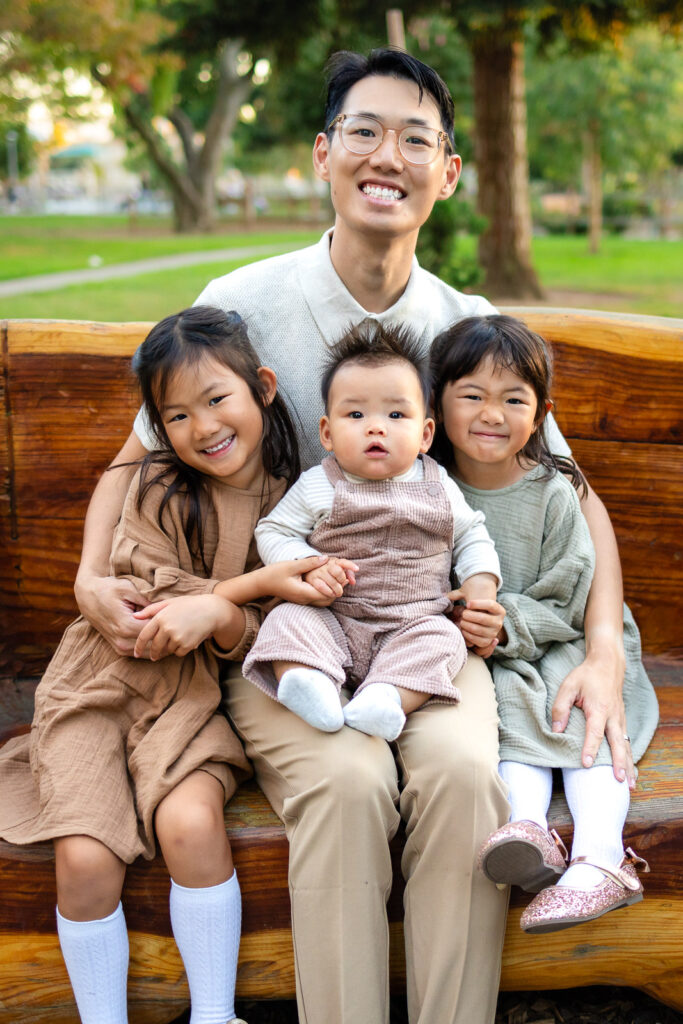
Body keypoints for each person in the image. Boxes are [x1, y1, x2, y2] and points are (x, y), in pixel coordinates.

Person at [69, 47, 633, 1024]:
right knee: (344, 778)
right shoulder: (241, 303)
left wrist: (594, 652)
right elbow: (137, 457)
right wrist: (86, 574)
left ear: (445, 173)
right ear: (325, 154)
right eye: (363, 131)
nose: (388, 154)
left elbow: (573, 498)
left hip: (426, 637)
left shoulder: (468, 328)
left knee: (462, 774)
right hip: (285, 637)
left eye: (415, 138)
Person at [0, 306, 329, 1024]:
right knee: (85, 857)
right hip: (101, 686)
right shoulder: (155, 485)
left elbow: (280, 626)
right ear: (157, 426)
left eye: (217, 400)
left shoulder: (298, 500)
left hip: (192, 703)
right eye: (176, 415)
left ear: (263, 387)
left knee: (189, 824)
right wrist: (251, 590)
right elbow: (154, 605)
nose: (203, 427)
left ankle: (214, 1014)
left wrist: (237, 612)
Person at [430, 314, 659, 934]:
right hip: (493, 651)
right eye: (471, 396)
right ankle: (527, 829)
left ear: (541, 413)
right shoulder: (430, 489)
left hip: (566, 634)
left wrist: (509, 626)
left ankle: (600, 859)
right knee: (504, 704)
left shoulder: (552, 488)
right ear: (437, 405)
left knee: (578, 711)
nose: (491, 414)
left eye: (513, 400)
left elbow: (570, 592)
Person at [243, 323, 503, 739]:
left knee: (445, 642)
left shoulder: (439, 486)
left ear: (425, 434)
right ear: (327, 433)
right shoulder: (318, 484)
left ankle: (388, 697)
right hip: (331, 617)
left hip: (413, 623)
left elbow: (473, 537)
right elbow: (273, 531)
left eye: (396, 415)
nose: (376, 427)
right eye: (356, 414)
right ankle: (310, 684)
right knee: (286, 619)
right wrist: (308, 566)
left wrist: (480, 588)